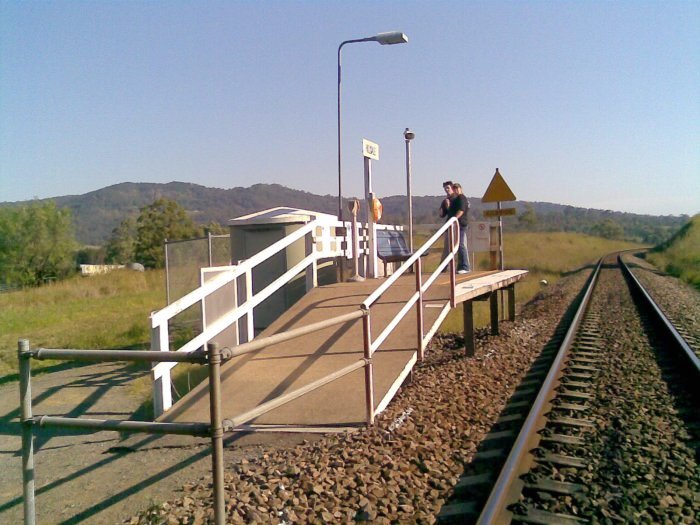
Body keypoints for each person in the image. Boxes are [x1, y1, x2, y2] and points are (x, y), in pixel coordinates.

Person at [448, 183, 470, 274]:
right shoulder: (456, 199)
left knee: (460, 244)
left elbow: (461, 210)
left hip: (460, 224)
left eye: (457, 188)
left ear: (460, 188)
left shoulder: (461, 198)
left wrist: (454, 219)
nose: (455, 190)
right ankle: (461, 266)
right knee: (457, 245)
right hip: (457, 225)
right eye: (454, 188)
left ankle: (465, 266)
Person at [440, 181, 455, 261]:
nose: (446, 190)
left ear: (452, 188)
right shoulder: (445, 200)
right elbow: (442, 215)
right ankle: (443, 267)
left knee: (459, 246)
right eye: (445, 188)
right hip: (448, 225)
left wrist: (449, 206)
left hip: (457, 225)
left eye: (448, 188)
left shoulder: (457, 198)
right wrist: (443, 208)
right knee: (447, 247)